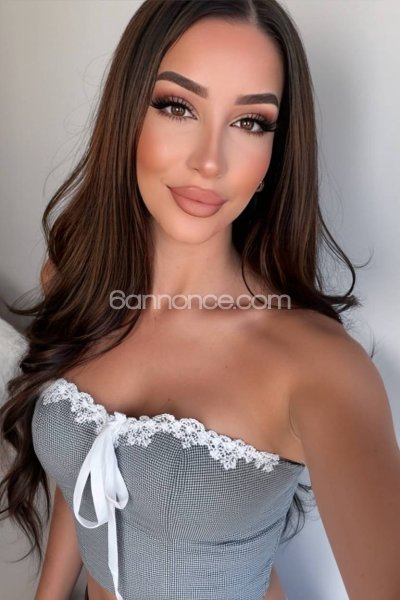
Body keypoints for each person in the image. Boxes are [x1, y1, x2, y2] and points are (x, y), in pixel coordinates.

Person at [1, 1, 399, 599]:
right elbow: (82, 477)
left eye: (251, 122)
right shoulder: (75, 281)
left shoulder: (319, 370)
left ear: (275, 153)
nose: (209, 162)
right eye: (177, 106)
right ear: (128, 113)